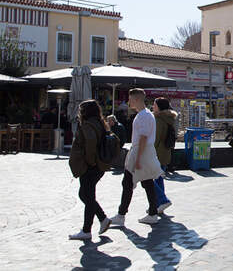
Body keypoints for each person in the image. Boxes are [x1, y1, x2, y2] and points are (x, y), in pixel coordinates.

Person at [110, 88, 163, 226]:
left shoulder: (143, 116)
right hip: (143, 151)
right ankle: (152, 213)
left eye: (131, 99)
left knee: (128, 183)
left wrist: (138, 159)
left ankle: (122, 215)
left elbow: (144, 138)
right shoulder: (146, 114)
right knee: (147, 183)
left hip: (140, 152)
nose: (129, 102)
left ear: (137, 99)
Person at [68, 100, 113, 240]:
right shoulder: (100, 123)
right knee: (85, 194)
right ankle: (103, 219)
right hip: (97, 165)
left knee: (87, 195)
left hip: (90, 166)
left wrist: (90, 162)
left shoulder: (88, 125)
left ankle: (87, 230)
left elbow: (91, 143)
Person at [153, 97, 177, 214]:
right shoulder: (170, 119)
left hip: (157, 153)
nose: (153, 107)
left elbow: (155, 139)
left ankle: (163, 201)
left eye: (154, 105)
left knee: (148, 180)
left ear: (159, 107)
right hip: (166, 153)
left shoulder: (158, 120)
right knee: (158, 179)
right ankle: (158, 206)